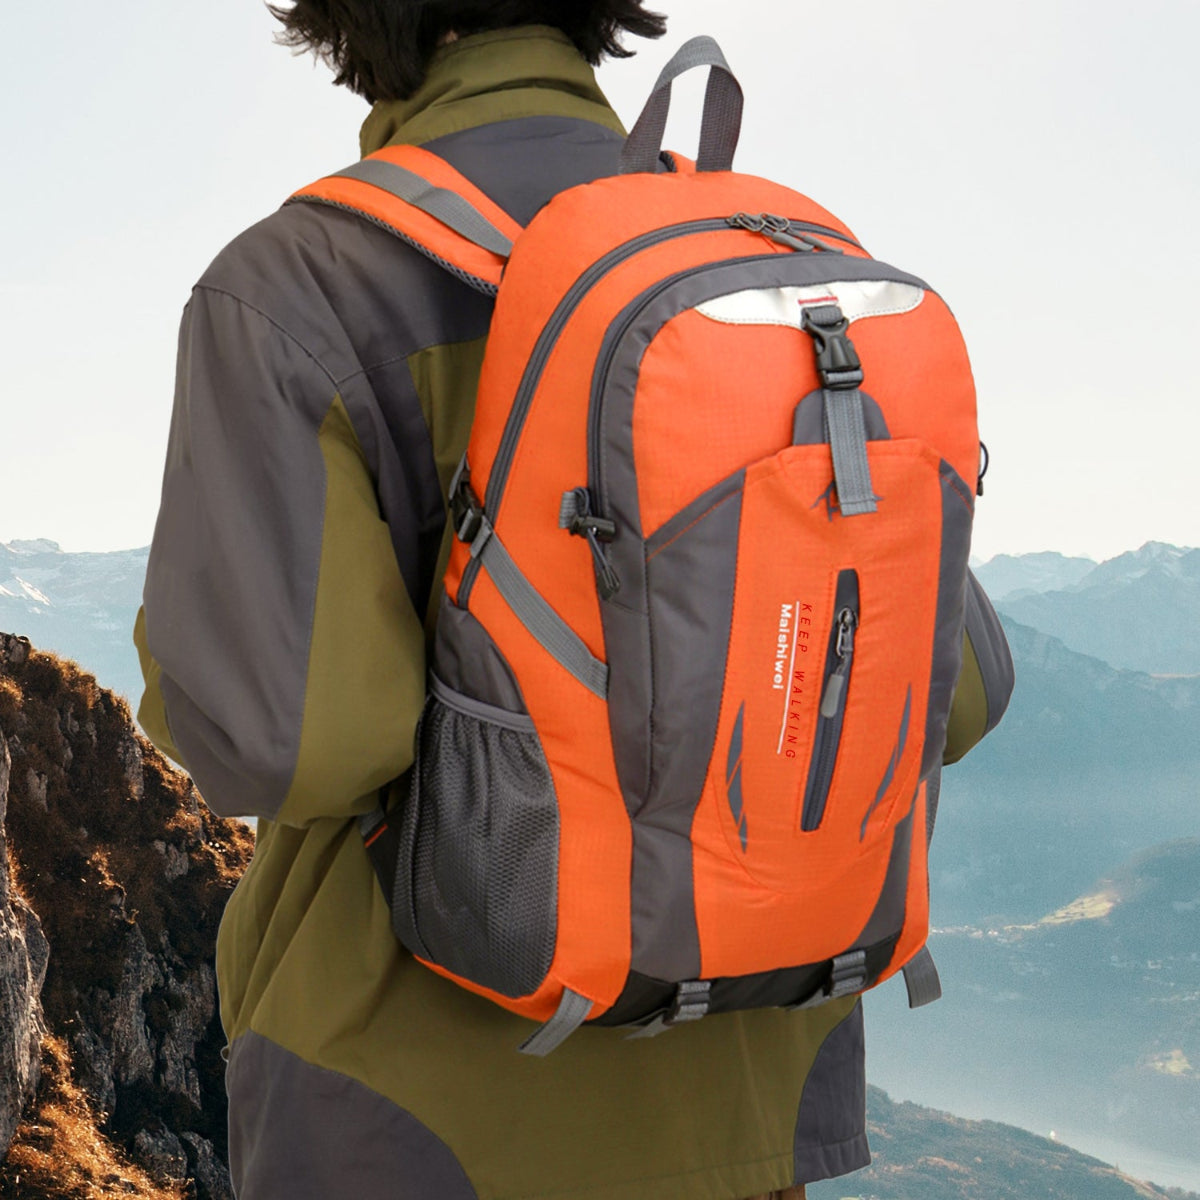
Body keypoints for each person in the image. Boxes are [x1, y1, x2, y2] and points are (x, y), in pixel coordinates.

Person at [134, 3, 1008, 1198]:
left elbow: (292, 745)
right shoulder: (774, 269)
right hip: (742, 1098)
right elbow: (957, 693)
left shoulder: (298, 288)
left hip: (415, 1120)